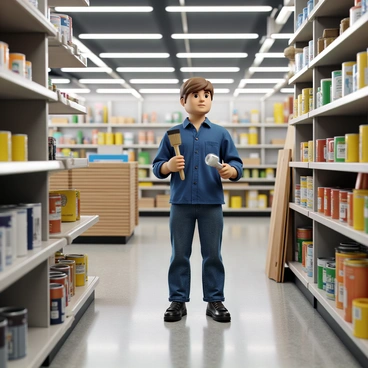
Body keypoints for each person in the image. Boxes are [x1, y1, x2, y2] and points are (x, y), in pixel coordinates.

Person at [152, 77, 243, 323]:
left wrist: (230, 171)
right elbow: (156, 166)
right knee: (179, 254)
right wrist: (168, 166)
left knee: (212, 254)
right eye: (196, 95)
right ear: (183, 101)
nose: (202, 99)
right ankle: (177, 301)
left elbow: (237, 164)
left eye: (207, 95)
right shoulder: (173, 134)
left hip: (211, 203)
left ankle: (215, 300)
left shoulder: (221, 133)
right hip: (180, 204)